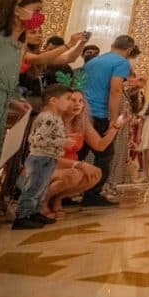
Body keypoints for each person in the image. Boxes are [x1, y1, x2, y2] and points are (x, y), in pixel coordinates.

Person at [0, 0, 40, 212]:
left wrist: (14, 100)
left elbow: (4, 81)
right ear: (16, 10)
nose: (39, 16)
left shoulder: (16, 46)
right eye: (35, 10)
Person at [79, 34, 138, 206]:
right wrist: (114, 119)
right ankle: (92, 194)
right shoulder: (122, 62)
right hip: (99, 112)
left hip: (83, 111)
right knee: (105, 154)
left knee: (79, 153)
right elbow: (115, 90)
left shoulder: (93, 62)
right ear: (128, 50)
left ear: (113, 44)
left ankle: (69, 192)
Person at [12, 84, 74, 229]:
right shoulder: (47, 118)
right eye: (68, 99)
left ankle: (34, 212)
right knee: (33, 187)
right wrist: (63, 141)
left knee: (42, 187)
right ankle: (22, 216)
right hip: (40, 158)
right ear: (53, 100)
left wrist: (63, 138)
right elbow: (37, 139)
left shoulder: (54, 117)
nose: (70, 102)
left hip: (48, 157)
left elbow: (49, 135)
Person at [44, 89, 108, 218]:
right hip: (48, 166)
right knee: (75, 174)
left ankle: (57, 199)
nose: (77, 104)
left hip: (70, 167)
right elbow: (47, 156)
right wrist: (80, 164)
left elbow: (100, 146)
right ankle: (42, 200)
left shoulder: (81, 123)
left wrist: (116, 126)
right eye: (72, 100)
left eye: (81, 101)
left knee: (95, 174)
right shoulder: (51, 121)